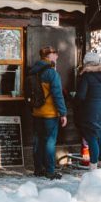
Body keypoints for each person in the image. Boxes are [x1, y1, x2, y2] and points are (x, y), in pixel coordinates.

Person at [29, 45, 67, 179]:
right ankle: (50, 171)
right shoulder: (51, 72)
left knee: (38, 141)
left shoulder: (33, 71)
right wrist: (63, 113)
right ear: (49, 56)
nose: (57, 56)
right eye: (55, 54)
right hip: (50, 113)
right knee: (50, 142)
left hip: (36, 111)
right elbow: (58, 94)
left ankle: (38, 169)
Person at [76, 51, 101, 168]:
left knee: (91, 137)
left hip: (89, 110)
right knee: (100, 135)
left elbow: (81, 96)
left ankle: (93, 165)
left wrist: (73, 98)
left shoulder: (87, 76)